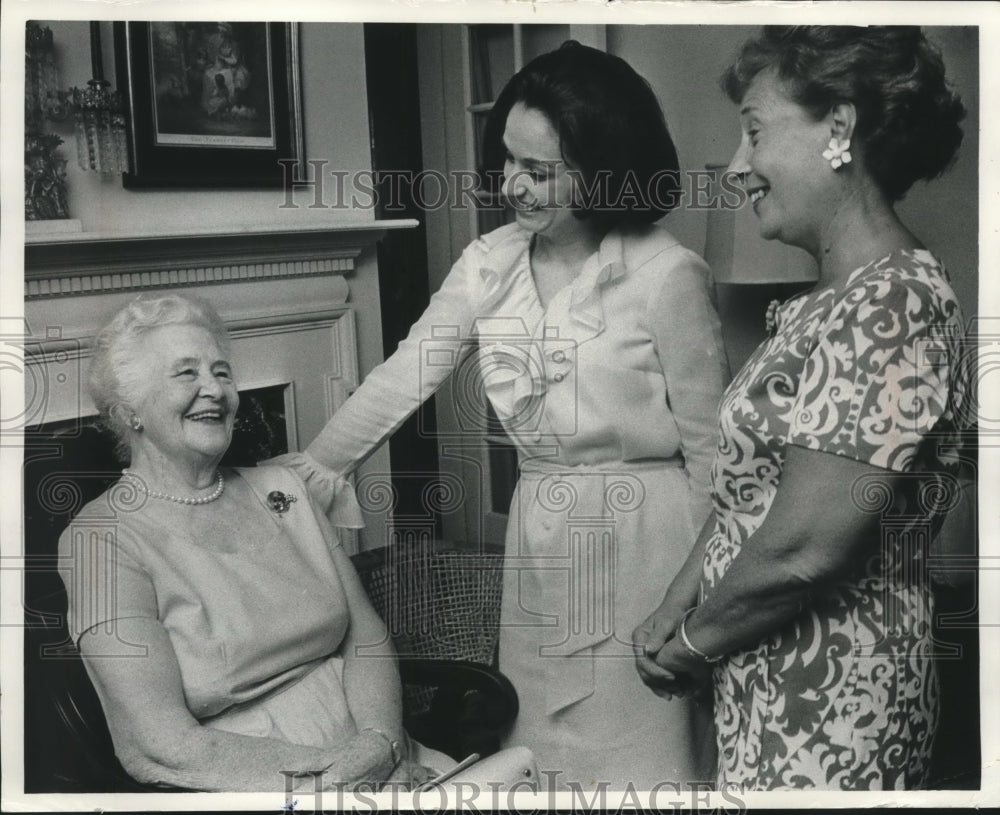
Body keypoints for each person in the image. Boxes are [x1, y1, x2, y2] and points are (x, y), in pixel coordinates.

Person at [270, 41, 729, 788]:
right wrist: (313, 467)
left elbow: (716, 456)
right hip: (542, 525)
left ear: (604, 167)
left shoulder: (666, 273)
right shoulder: (489, 261)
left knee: (643, 750)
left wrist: (704, 595)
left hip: (650, 536)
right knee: (540, 742)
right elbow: (404, 373)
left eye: (539, 170)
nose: (512, 184)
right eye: (506, 161)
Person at [633, 26, 969, 790]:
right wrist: (678, 599)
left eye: (754, 132)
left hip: (836, 698)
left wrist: (688, 643)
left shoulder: (896, 301)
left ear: (839, 127)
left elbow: (805, 549)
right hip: (770, 675)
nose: (739, 167)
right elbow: (748, 495)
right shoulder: (831, 300)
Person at [57, 293, 445, 791]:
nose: (214, 390)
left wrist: (382, 745)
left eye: (222, 372)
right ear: (130, 410)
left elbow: (365, 640)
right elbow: (160, 742)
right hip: (256, 777)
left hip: (383, 750)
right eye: (186, 374)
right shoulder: (102, 539)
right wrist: (339, 777)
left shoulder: (284, 488)